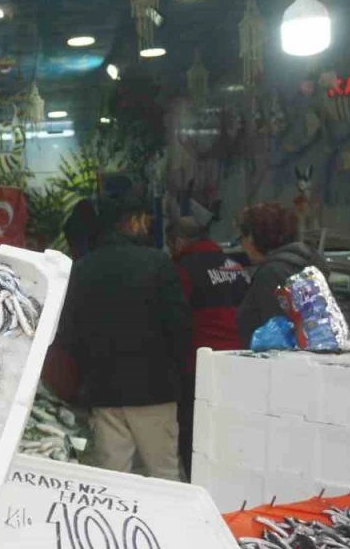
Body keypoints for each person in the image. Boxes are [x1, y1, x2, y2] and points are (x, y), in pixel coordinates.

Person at [48, 198, 193, 481]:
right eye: (144, 220)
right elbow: (180, 327)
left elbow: (68, 333)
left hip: (103, 392)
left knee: (113, 480)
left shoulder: (83, 268)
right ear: (133, 222)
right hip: (154, 391)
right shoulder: (158, 263)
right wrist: (176, 376)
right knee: (164, 474)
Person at [167, 217, 250, 478]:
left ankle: (199, 482)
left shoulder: (181, 270)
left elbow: (175, 320)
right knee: (233, 430)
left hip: (200, 366)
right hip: (241, 361)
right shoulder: (235, 267)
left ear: (178, 241)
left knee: (196, 433)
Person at [235, 202, 328, 349]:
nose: (241, 246)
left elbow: (277, 342)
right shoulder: (306, 267)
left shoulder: (270, 275)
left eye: (241, 238)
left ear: (251, 238)